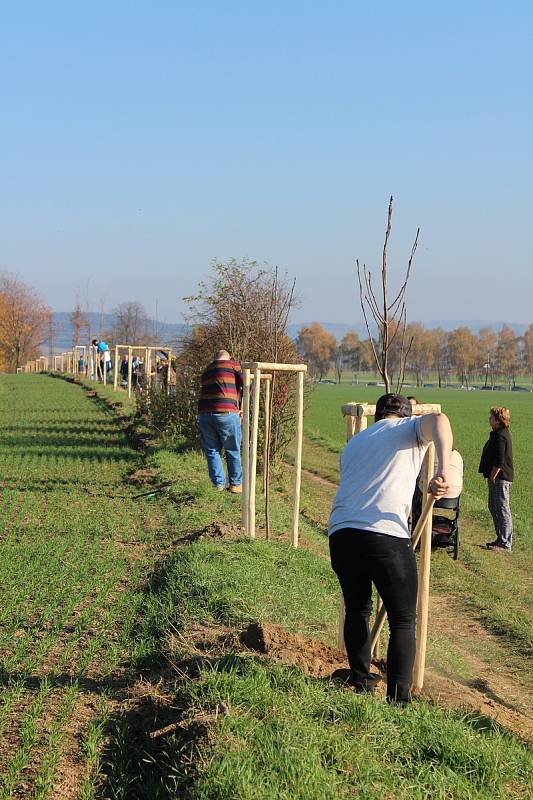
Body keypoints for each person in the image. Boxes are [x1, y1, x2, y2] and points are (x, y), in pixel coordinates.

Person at [328, 393, 452, 703]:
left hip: (341, 532)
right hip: (384, 533)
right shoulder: (409, 428)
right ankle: (399, 699)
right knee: (403, 618)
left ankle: (360, 680)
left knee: (357, 608)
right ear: (407, 415)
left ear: (378, 415)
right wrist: (442, 471)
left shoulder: (354, 443)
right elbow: (439, 420)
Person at [198, 350, 243, 493]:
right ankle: (235, 484)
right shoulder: (232, 365)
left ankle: (218, 484)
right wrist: (240, 407)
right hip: (226, 413)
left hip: (205, 414)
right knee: (232, 449)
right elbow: (247, 383)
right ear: (228, 357)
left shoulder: (207, 370)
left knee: (212, 450)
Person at [479, 406, 514, 552]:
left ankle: (505, 542)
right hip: (496, 477)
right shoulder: (497, 433)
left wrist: (493, 476)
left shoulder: (500, 436)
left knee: (502, 508)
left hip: (500, 478)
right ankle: (500, 539)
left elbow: (499, 460)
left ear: (498, 421)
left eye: (491, 418)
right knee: (493, 506)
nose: (489, 419)